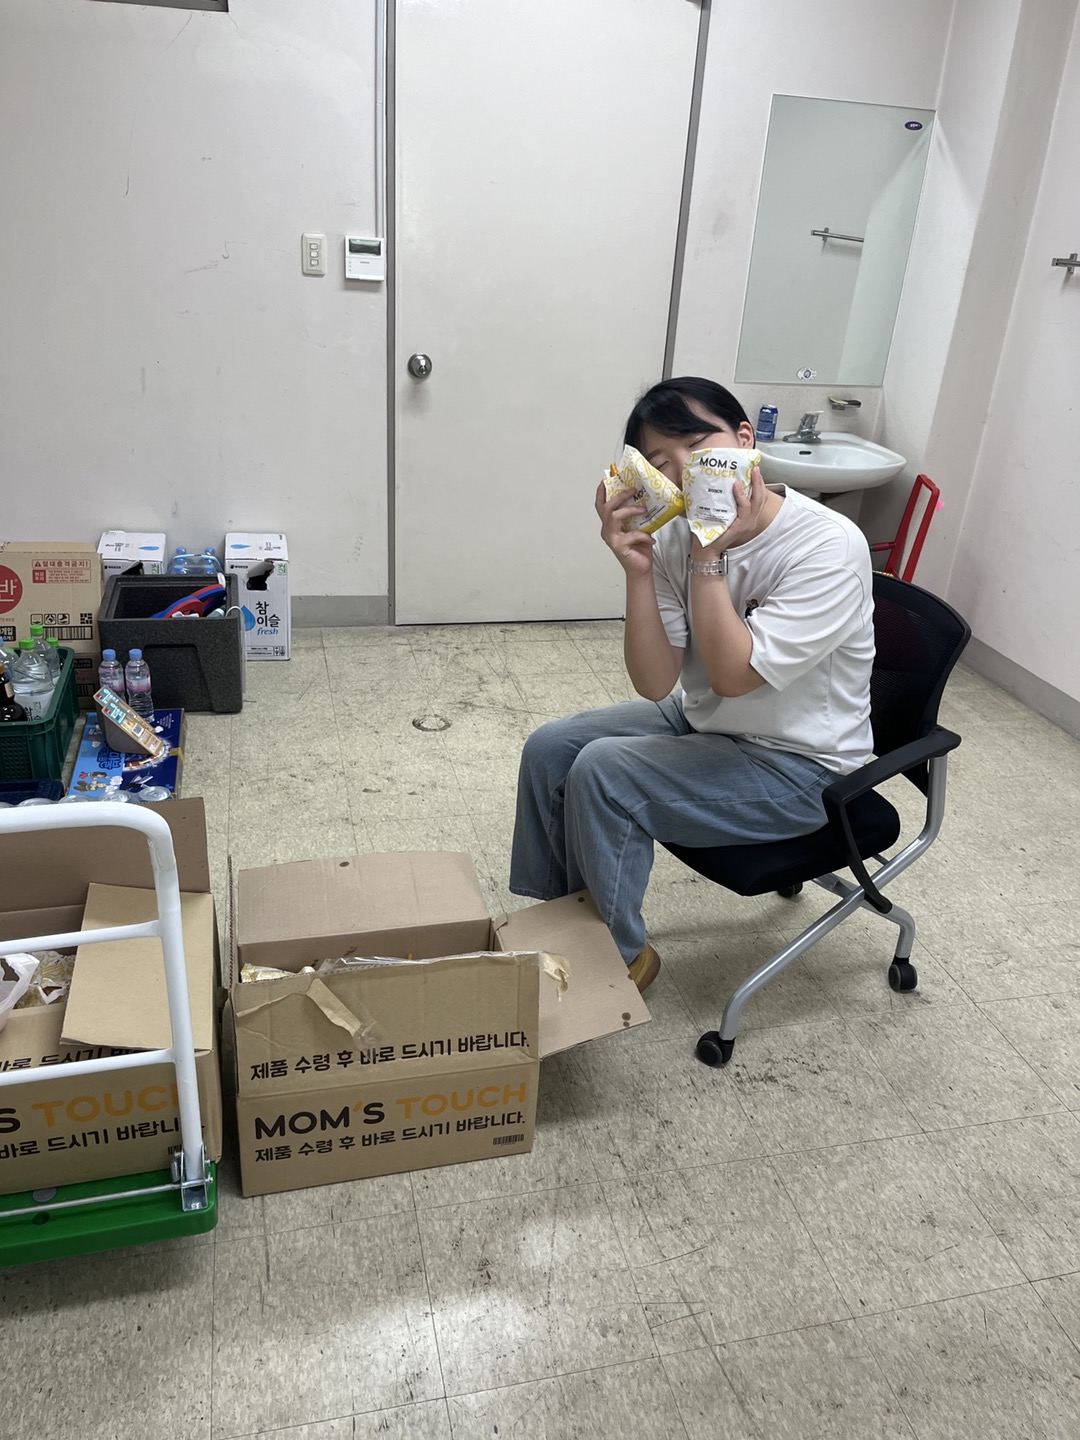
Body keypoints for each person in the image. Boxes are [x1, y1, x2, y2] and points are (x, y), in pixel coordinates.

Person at [509, 376, 875, 991]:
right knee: (552, 747)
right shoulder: (675, 531)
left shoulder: (826, 545)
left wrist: (709, 558)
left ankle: (617, 959)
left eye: (699, 446)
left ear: (745, 440)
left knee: (605, 771)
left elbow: (732, 677)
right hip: (708, 720)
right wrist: (637, 569)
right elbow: (656, 683)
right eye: (660, 463)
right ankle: (565, 921)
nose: (684, 470)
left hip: (802, 768)